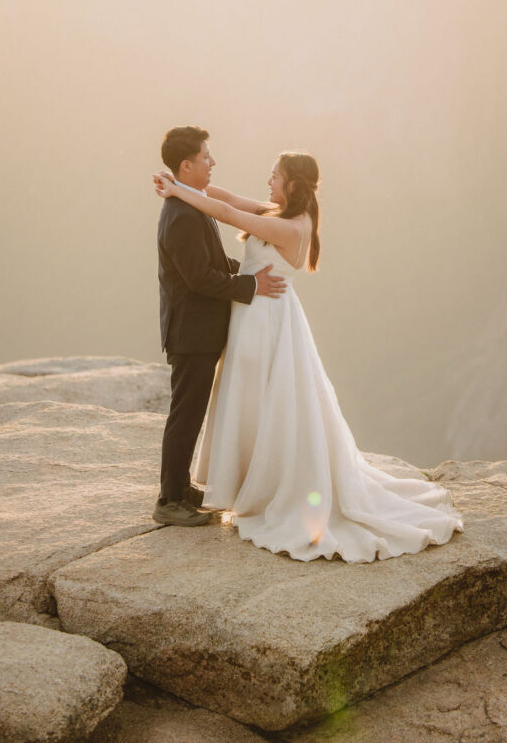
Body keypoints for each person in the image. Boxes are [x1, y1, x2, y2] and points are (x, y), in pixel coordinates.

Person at [153, 149, 465, 562]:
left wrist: (179, 191)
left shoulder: (292, 227)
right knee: (255, 400)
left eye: (275, 175)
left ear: (293, 184)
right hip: (257, 318)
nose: (268, 181)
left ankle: (266, 484)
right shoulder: (280, 213)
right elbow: (224, 198)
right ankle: (245, 481)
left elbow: (227, 215)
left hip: (265, 323)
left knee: (263, 399)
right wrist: (181, 186)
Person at [154, 126, 287, 528]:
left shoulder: (189, 204)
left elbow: (212, 263)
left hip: (199, 332)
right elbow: (199, 279)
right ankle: (168, 500)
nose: (213, 163)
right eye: (207, 157)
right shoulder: (180, 216)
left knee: (191, 413)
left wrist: (246, 269)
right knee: (185, 415)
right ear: (186, 165)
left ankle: (180, 488)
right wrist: (252, 285)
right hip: (190, 335)